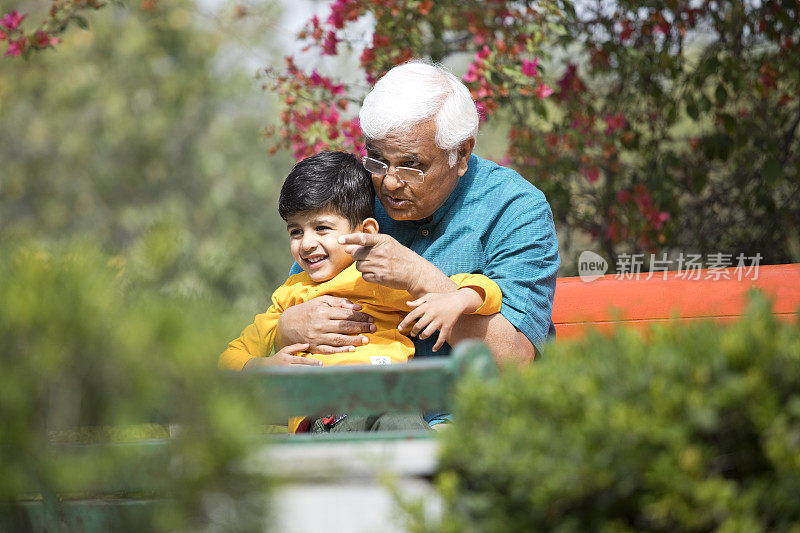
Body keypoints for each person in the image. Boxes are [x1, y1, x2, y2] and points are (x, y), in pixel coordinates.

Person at [274, 61, 560, 376]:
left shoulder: (516, 208)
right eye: (378, 161)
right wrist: (287, 327)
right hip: (359, 410)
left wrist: (418, 276)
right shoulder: (355, 194)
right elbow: (297, 294)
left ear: (461, 154)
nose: (390, 182)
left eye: (412, 165)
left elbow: (515, 363)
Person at [219, 151, 502, 432]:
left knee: (403, 429)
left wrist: (459, 299)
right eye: (296, 231)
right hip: (328, 415)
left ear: (365, 230)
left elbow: (481, 288)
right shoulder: (290, 296)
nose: (306, 244)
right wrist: (263, 367)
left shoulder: (381, 278)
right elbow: (232, 357)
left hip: (388, 403)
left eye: (321, 228)